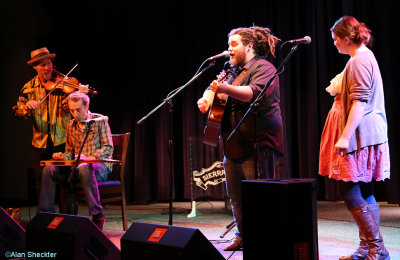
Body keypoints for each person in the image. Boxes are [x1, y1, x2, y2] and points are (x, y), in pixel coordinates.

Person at [197, 26, 284, 251]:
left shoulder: (263, 67)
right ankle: (243, 235)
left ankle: (265, 239)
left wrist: (224, 88)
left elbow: (252, 93)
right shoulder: (232, 69)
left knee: (259, 196)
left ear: (249, 45)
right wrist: (206, 99)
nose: (229, 48)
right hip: (233, 142)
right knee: (236, 196)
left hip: (257, 142)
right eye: (229, 44)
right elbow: (213, 86)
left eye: (234, 44)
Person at [319, 16, 390, 259]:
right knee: (363, 188)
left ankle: (376, 248)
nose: (334, 43)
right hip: (363, 135)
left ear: (347, 38)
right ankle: (368, 247)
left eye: (336, 38)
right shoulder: (359, 58)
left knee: (349, 189)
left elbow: (359, 102)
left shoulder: (360, 60)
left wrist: (345, 137)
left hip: (359, 136)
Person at [12, 47, 88, 200]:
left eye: (49, 64)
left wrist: (78, 95)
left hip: (63, 141)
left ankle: (69, 222)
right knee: (43, 187)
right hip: (40, 143)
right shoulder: (28, 88)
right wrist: (26, 107)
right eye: (42, 65)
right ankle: (46, 219)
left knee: (67, 186)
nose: (47, 68)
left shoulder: (63, 82)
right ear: (35, 67)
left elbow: (71, 110)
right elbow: (17, 113)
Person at [38, 92, 113, 231]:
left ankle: (97, 215)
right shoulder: (71, 125)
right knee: (49, 169)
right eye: (72, 110)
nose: (75, 114)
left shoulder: (100, 120)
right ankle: (45, 214)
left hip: (99, 167)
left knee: (85, 167)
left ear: (87, 106)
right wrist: (62, 156)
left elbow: (108, 148)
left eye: (78, 110)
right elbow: (70, 153)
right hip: (77, 169)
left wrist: (89, 158)